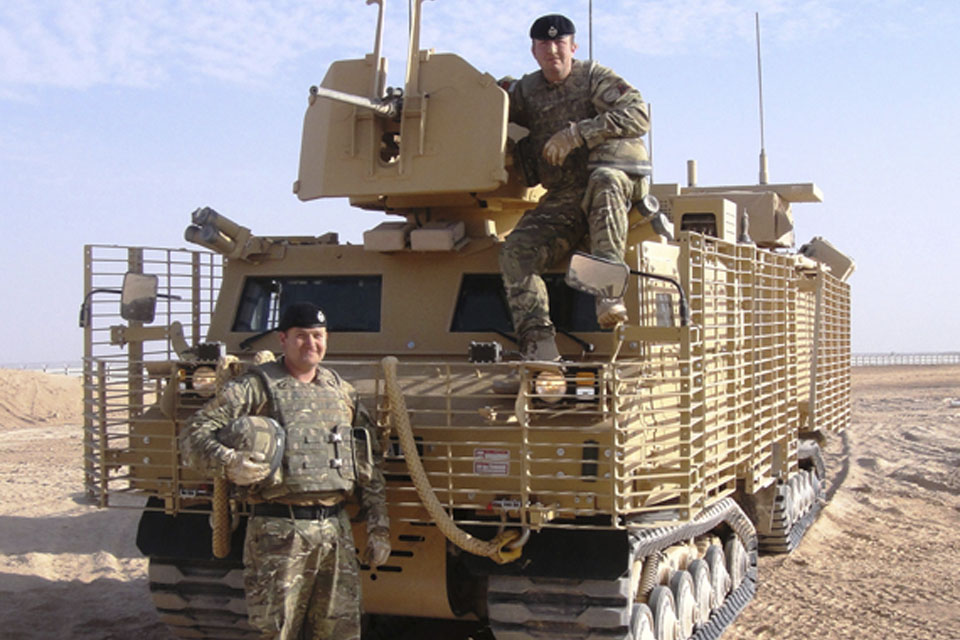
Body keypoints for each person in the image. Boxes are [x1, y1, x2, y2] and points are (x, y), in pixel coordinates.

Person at [180, 301, 390, 640]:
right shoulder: (256, 387)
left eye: (318, 336)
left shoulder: (341, 391)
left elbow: (368, 462)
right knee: (277, 632)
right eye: (301, 336)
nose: (311, 344)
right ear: (283, 340)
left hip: (335, 531)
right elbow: (194, 433)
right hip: (278, 532)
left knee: (341, 632)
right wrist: (229, 462)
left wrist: (379, 527)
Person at [500, 13, 652, 360]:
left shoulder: (594, 79)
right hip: (565, 197)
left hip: (617, 187)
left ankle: (608, 291)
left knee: (605, 180)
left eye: (559, 42)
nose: (552, 50)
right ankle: (539, 343)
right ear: (534, 51)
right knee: (515, 252)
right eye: (544, 44)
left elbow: (638, 114)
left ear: (573, 46)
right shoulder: (526, 91)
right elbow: (488, 101)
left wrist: (577, 133)